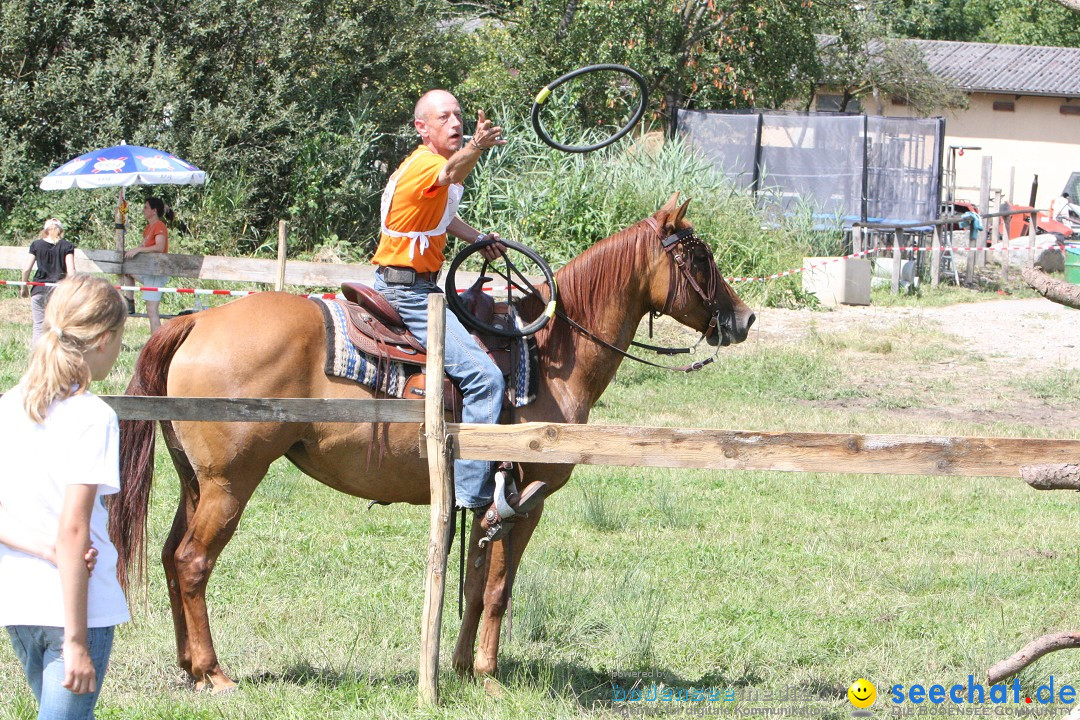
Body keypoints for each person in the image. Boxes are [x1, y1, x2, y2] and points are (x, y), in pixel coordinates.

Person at [373, 89, 546, 543]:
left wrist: (477, 236)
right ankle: (471, 496)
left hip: (418, 284)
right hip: (409, 292)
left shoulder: (430, 172)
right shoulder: (429, 166)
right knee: (485, 377)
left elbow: (442, 216)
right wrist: (477, 147)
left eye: (459, 116)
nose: (455, 122)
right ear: (421, 128)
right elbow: (450, 170)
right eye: (444, 117)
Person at [0, 274, 130, 719]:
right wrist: (76, 642)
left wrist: (43, 549)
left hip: (18, 602)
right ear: (104, 340)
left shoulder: (8, 406)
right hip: (74, 607)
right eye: (121, 343)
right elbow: (75, 528)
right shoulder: (93, 417)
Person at [21, 218, 76, 346]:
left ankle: (36, 355)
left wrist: (23, 287)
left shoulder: (36, 245)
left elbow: (26, 269)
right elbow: (71, 271)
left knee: (39, 326)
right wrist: (72, 290)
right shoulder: (67, 246)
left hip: (39, 290)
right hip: (59, 291)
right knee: (60, 325)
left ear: (45, 231)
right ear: (61, 231)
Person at [123, 197, 172, 333]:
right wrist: (133, 251)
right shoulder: (148, 228)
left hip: (156, 271)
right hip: (148, 270)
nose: (143, 210)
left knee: (152, 310)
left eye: (146, 207)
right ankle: (129, 302)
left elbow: (160, 247)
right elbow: (145, 247)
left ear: (154, 211)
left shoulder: (159, 226)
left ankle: (157, 344)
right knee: (127, 269)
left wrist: (138, 250)